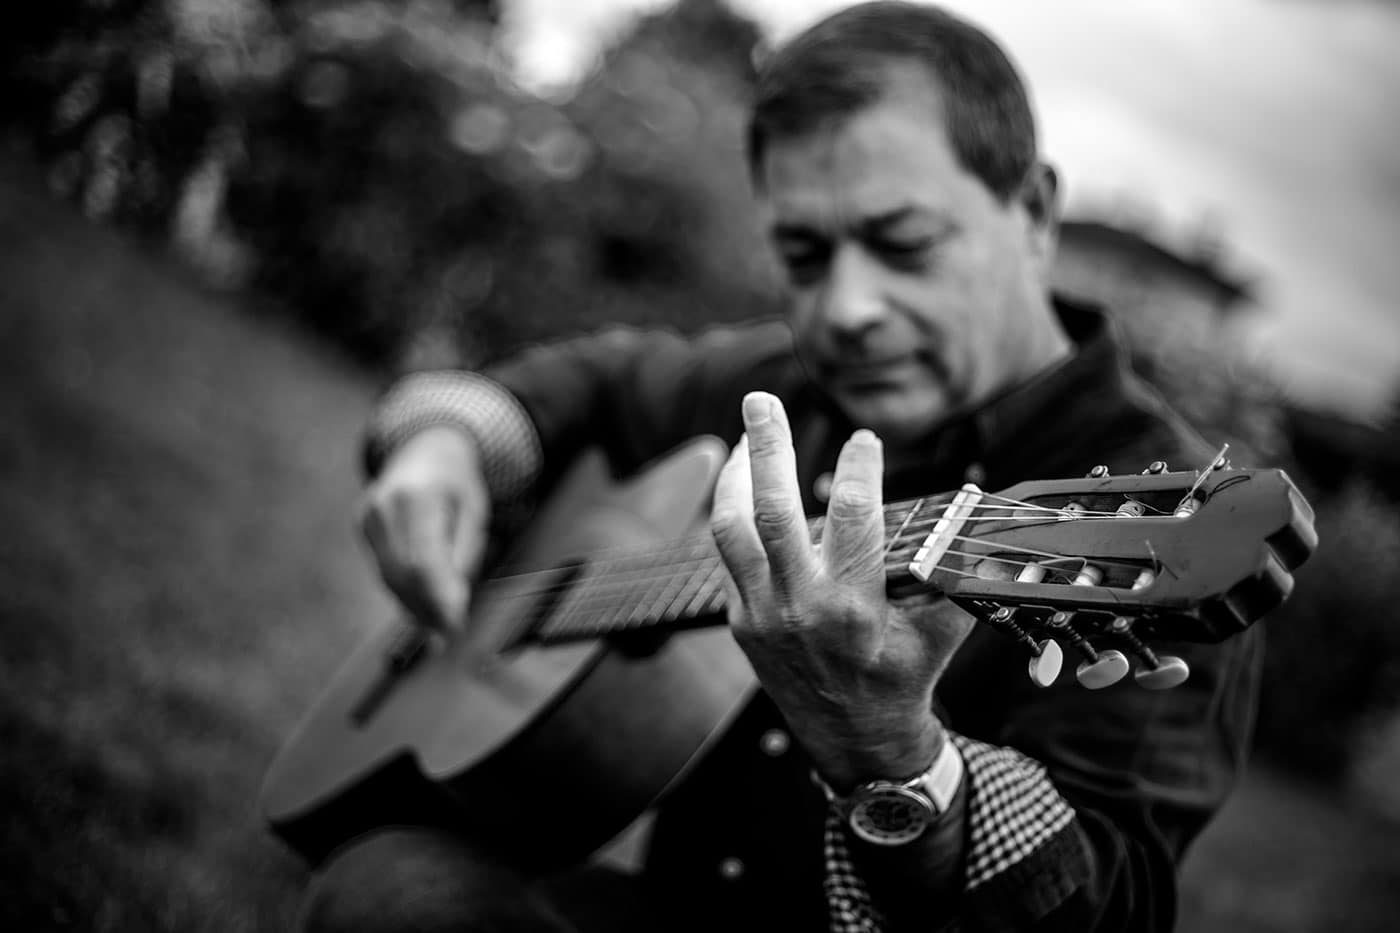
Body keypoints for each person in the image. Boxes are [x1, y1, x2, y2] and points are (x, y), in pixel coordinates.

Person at [302, 3, 1258, 931]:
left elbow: (1109, 899)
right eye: (804, 256)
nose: (846, 309)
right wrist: (447, 440)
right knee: (388, 889)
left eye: (905, 244)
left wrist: (894, 755)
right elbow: (594, 382)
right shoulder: (792, 384)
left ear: (1035, 212)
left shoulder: (1156, 527)